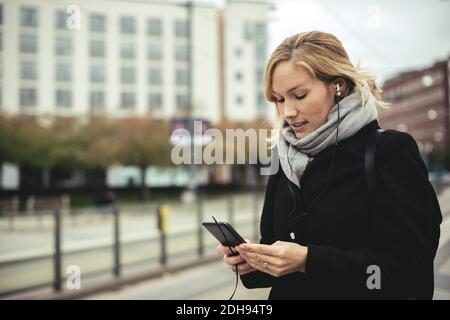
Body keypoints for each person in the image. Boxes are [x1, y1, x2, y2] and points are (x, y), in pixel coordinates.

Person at [217, 31, 442, 299]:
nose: (287, 112)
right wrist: (253, 262)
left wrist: (308, 260)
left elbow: (408, 269)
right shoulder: (283, 158)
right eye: (279, 99)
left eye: (299, 95)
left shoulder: (389, 152)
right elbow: (278, 259)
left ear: (338, 87)